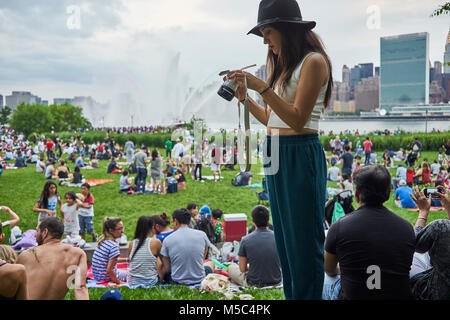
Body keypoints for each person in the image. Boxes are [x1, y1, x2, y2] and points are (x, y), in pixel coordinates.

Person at [229, 0, 332, 299]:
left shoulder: (314, 61)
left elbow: (298, 119)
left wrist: (261, 87)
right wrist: (245, 97)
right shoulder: (282, 65)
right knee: (285, 242)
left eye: (268, 32)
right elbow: (272, 119)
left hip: (299, 151)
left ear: (286, 30)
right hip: (275, 150)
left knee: (304, 241)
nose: (265, 40)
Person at [323, 165, 416, 300]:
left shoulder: (339, 227)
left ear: (356, 194)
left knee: (323, 278)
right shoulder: (407, 228)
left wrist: (346, 269)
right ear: (388, 194)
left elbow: (329, 270)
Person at [17, 217, 89, 299]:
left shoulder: (27, 254)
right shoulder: (78, 254)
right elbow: (80, 289)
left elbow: (14, 290)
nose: (35, 235)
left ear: (45, 232)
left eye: (37, 231)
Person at [409, 186, 450, 300]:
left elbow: (414, 244)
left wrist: (423, 211)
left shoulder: (441, 227)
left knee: (414, 257)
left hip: (436, 292)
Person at [228, 205, 282, 287]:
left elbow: (242, 269)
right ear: (268, 219)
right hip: (276, 280)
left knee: (231, 267)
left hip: (253, 283)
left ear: (253, 220)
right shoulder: (278, 237)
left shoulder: (245, 240)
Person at [160, 208, 215, 285]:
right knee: (211, 264)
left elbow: (167, 268)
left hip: (176, 280)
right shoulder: (202, 235)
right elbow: (203, 257)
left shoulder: (168, 239)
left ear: (175, 221)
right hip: (199, 278)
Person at [127, 216, 163, 288]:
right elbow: (164, 261)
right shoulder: (156, 242)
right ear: (152, 228)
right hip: (151, 282)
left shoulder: (131, 243)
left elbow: (129, 261)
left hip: (132, 282)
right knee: (159, 260)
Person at [91, 217, 128, 285]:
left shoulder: (103, 241)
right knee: (133, 273)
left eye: (122, 228)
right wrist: (119, 282)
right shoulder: (114, 246)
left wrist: (126, 260)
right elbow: (109, 270)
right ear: (111, 231)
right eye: (119, 229)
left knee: (125, 271)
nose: (122, 231)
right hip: (107, 278)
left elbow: (109, 260)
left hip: (98, 277)